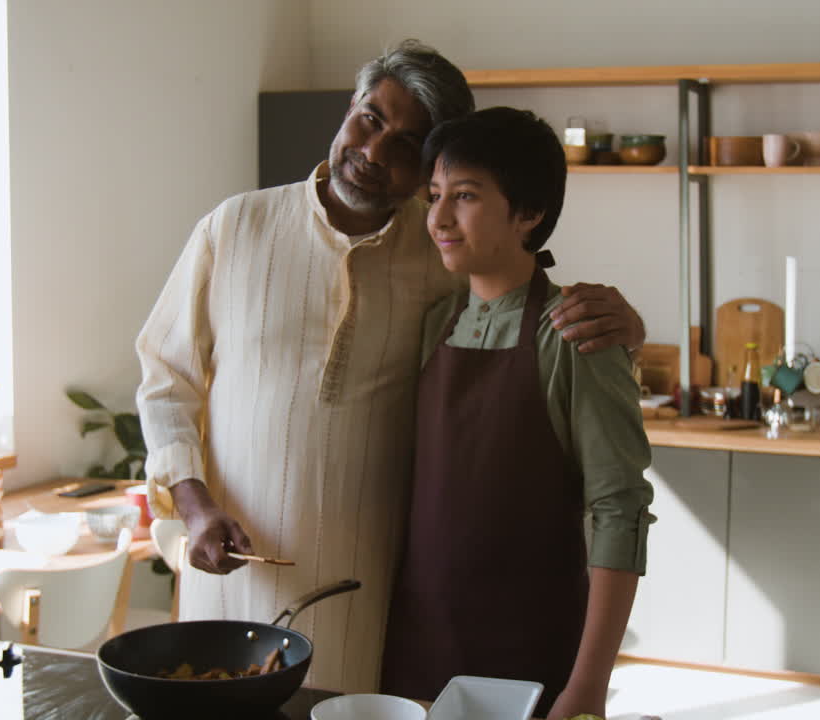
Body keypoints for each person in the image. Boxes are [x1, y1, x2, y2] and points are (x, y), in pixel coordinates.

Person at [134, 40, 646, 694]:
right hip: (231, 578)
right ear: (350, 108)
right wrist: (193, 501)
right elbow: (163, 378)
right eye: (371, 119)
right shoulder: (234, 228)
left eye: (408, 145)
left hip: (370, 606)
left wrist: (627, 330)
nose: (374, 152)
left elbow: (522, 296)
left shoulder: (442, 261)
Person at [379, 107, 654, 720]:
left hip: (530, 651)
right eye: (435, 196)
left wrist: (587, 690)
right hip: (418, 642)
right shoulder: (432, 325)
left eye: (467, 196)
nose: (440, 218)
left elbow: (621, 512)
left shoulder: (578, 336)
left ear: (529, 213)